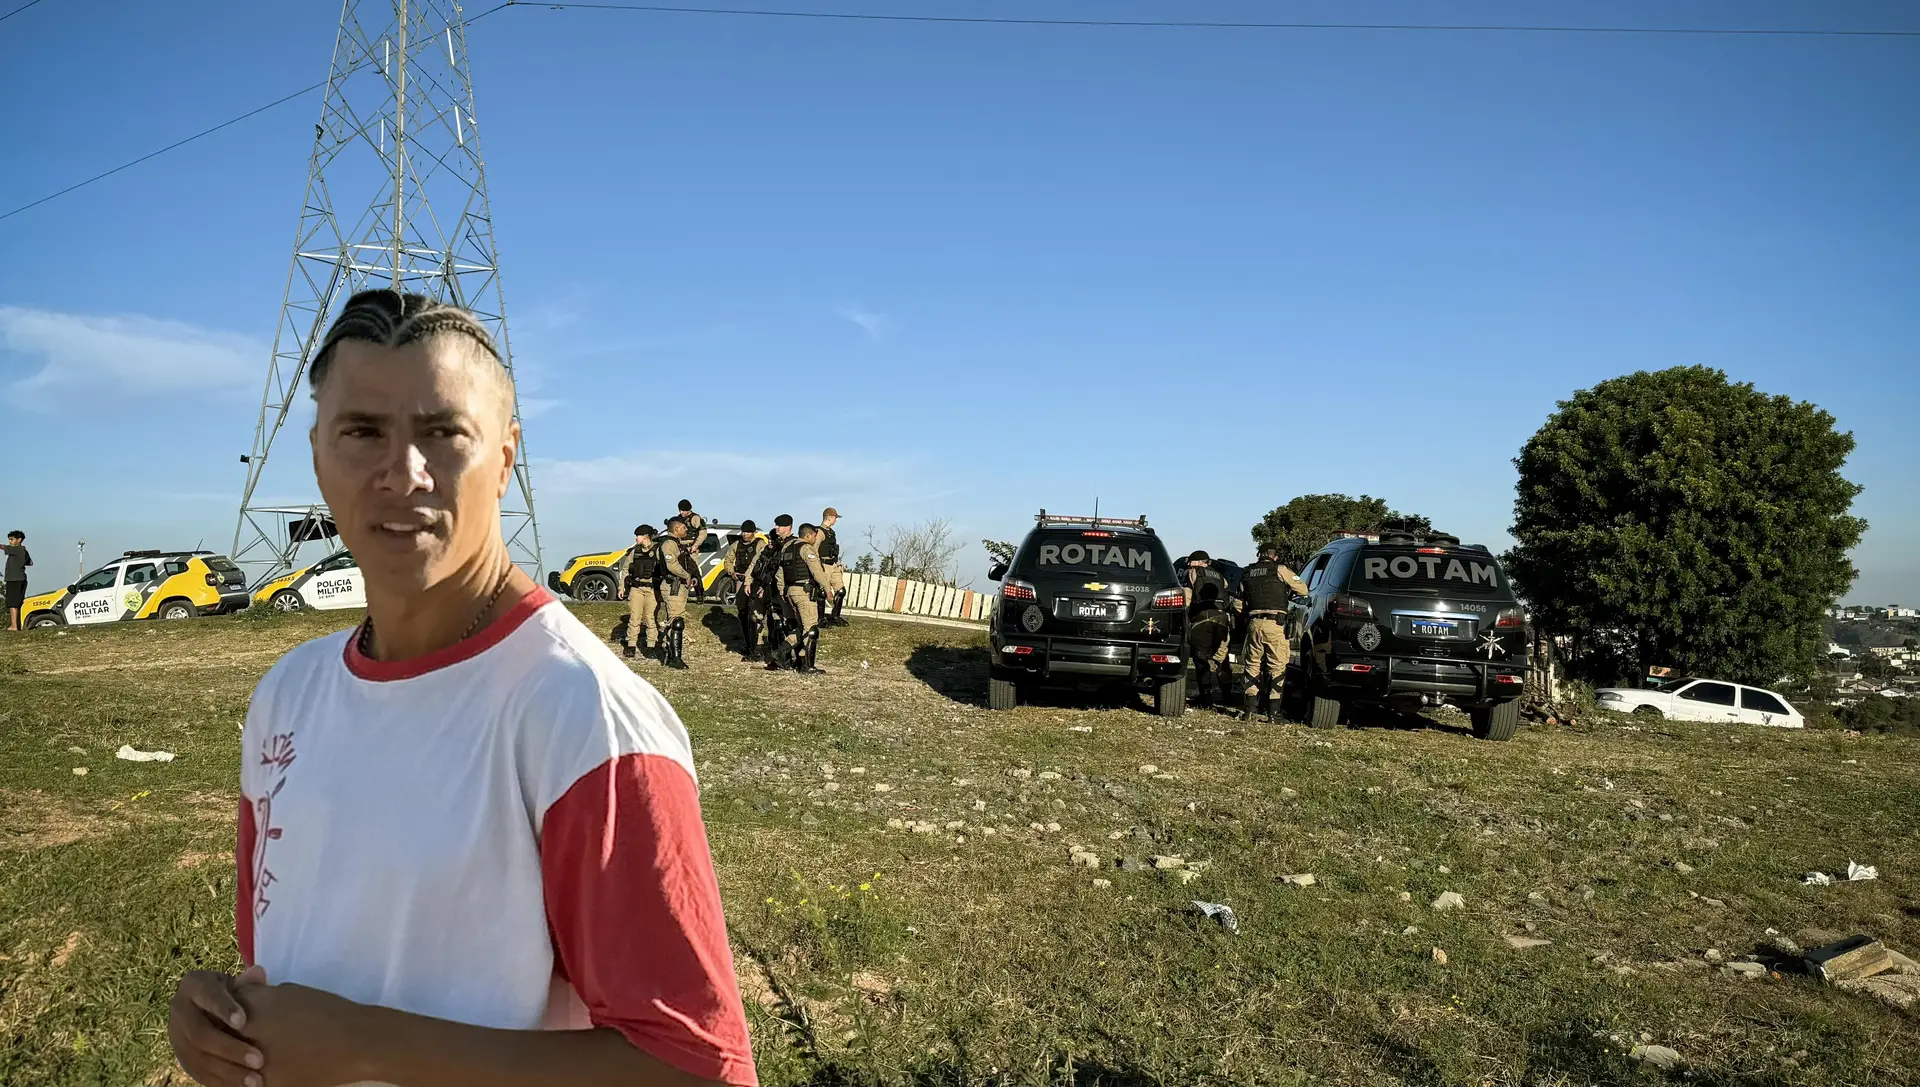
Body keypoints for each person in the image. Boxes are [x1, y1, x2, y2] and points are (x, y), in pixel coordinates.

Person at [166, 289, 755, 1087]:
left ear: (506, 456)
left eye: (443, 433)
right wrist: (219, 1024)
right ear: (317, 454)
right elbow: (288, 965)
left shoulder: (582, 715)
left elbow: (699, 1069)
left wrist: (366, 1046)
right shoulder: (287, 694)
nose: (403, 473)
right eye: (362, 431)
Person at [1236, 544, 1310, 722]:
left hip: (1254, 623)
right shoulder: (1280, 569)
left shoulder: (1247, 572)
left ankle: (1249, 710)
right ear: (1274, 556)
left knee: (1252, 665)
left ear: (1259, 555)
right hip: (1275, 624)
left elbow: (1238, 605)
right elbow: (1303, 589)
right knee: (1277, 667)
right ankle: (1274, 713)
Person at [773, 523, 829, 675]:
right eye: (814, 536)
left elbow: (779, 574)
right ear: (808, 535)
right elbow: (816, 571)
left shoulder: (787, 548)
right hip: (804, 592)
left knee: (801, 627)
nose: (815, 539)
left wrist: (783, 592)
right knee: (811, 629)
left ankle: (780, 652)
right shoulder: (806, 549)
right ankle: (807, 665)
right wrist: (827, 588)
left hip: (790, 591)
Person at [1183, 551, 1232, 710]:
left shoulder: (1193, 572)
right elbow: (1226, 589)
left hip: (1202, 618)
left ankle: (1205, 697)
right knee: (1222, 658)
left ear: (1199, 562)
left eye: (1191, 562)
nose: (1189, 564)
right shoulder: (1219, 576)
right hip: (1222, 618)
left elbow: (1188, 594)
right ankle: (1227, 694)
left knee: (1201, 658)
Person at [611, 524, 659, 660]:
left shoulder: (658, 550)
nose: (636, 538)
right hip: (636, 588)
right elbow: (625, 570)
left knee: (650, 618)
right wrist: (621, 587)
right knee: (634, 618)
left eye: (638, 536)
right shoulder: (635, 552)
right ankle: (631, 645)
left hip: (652, 589)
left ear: (645, 536)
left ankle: (651, 646)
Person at [724, 521, 768, 661]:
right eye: (743, 532)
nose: (745, 534)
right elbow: (728, 560)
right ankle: (748, 643)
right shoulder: (736, 545)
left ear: (753, 532)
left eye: (748, 532)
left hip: (755, 581)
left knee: (755, 614)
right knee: (742, 612)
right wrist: (732, 573)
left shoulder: (760, 544)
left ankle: (757, 645)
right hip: (741, 579)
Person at [653, 517, 693, 669]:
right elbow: (672, 565)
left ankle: (671, 655)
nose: (686, 530)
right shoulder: (669, 543)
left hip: (678, 585)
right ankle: (675, 658)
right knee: (677, 621)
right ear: (676, 528)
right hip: (673, 585)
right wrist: (686, 575)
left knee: (676, 619)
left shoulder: (677, 543)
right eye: (684, 527)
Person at [818, 507, 848, 627]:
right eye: (835, 518)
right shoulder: (819, 532)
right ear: (829, 517)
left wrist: (838, 563)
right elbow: (814, 549)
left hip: (833, 564)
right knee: (822, 592)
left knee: (841, 591)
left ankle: (835, 616)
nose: (836, 520)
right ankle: (820, 619)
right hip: (823, 564)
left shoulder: (831, 532)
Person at [674, 499, 709, 601]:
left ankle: (699, 594)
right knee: (678, 570)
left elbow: (703, 533)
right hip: (679, 547)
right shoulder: (678, 519)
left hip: (691, 548)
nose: (682, 512)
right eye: (680, 510)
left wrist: (695, 546)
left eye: (683, 510)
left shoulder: (696, 518)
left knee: (694, 571)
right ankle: (677, 593)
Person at [4, 530, 30, 631]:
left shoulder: (17, 549)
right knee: (17, 603)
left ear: (19, 540)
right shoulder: (23, 551)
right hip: (20, 578)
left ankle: (14, 625)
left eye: (12, 539)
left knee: (12, 603)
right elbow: (30, 562)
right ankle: (18, 625)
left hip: (14, 579)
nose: (10, 541)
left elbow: (2, 547)